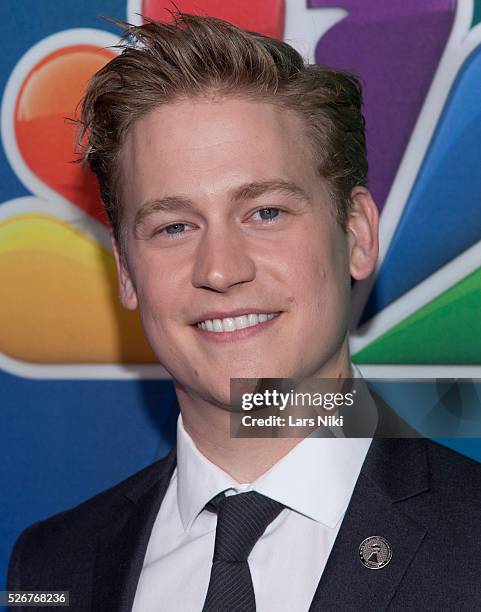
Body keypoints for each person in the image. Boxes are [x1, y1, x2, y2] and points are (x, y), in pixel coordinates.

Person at [8, 12, 481, 612]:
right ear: (127, 273)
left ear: (357, 234)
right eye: (174, 226)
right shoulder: (53, 564)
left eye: (265, 213)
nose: (220, 269)